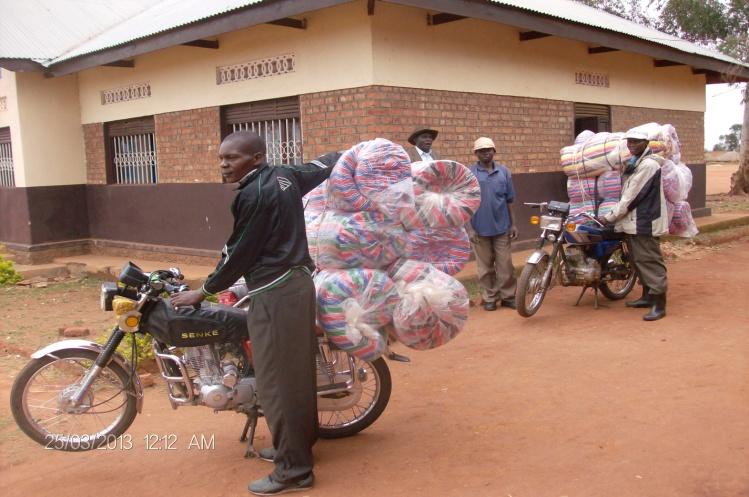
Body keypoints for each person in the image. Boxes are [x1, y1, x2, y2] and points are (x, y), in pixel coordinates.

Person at [170, 131, 341, 495]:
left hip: (275, 292)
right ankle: (295, 446)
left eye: (231, 158)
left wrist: (204, 290)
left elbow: (239, 252)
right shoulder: (286, 176)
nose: (223, 166)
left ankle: (294, 471)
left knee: (276, 382)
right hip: (296, 285)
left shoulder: (253, 195)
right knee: (295, 375)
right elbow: (322, 165)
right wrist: (351, 153)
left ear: (257, 157)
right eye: (221, 158)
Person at [599, 128, 668, 321]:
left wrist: (610, 217)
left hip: (644, 221)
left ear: (646, 144)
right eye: (629, 142)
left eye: (635, 142)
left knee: (649, 260)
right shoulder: (635, 164)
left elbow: (631, 198)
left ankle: (658, 304)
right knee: (637, 260)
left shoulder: (648, 166)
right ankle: (647, 296)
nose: (631, 145)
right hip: (634, 222)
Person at [466, 137, 518, 311]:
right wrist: (469, 229)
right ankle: (490, 297)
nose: (485, 152)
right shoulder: (469, 173)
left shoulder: (504, 172)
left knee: (505, 265)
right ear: (476, 153)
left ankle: (508, 296)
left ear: (494, 151)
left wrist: (513, 224)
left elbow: (509, 200)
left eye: (488, 149)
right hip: (479, 228)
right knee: (485, 268)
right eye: (481, 150)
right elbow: (464, 203)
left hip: (502, 227)